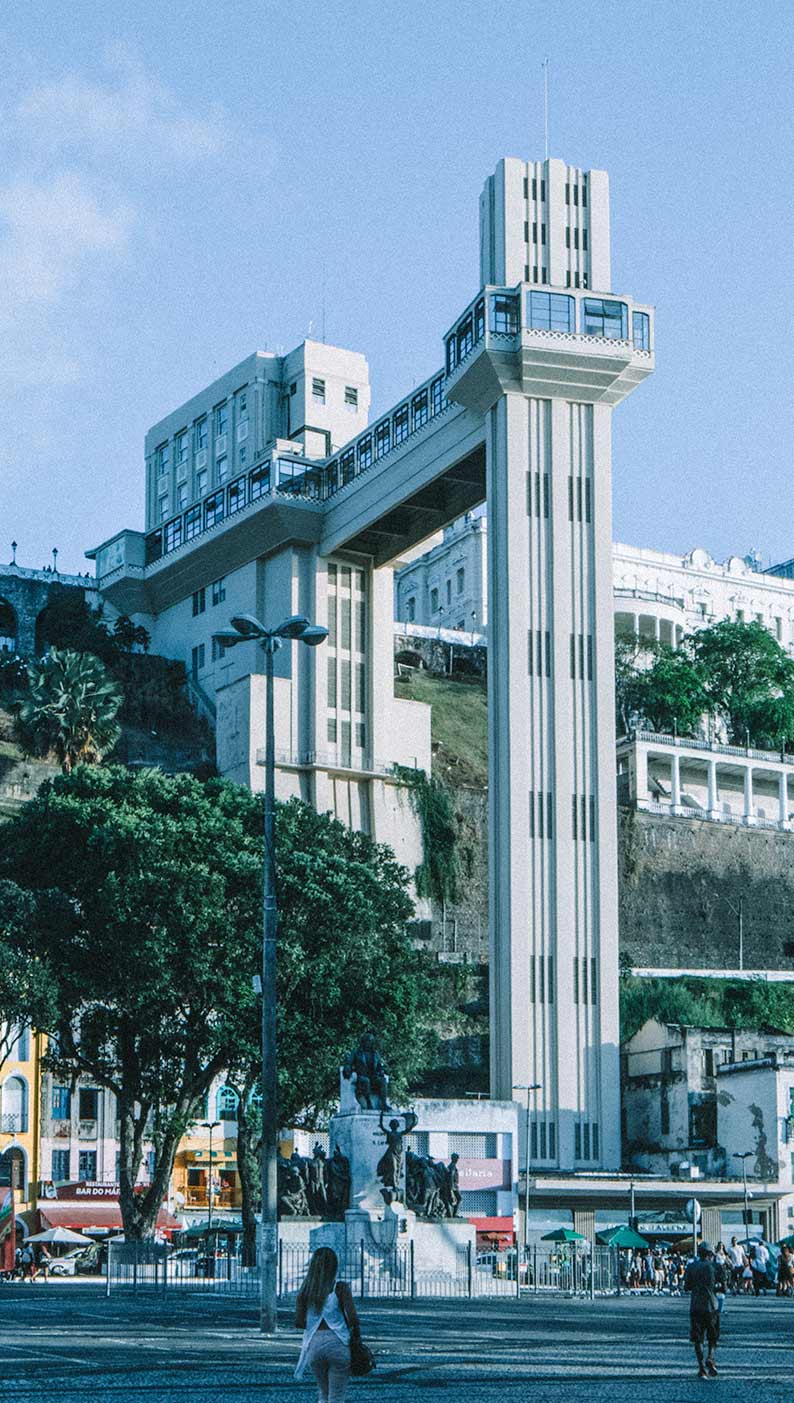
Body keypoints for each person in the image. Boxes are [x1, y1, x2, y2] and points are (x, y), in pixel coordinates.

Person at [295, 1246, 360, 1402]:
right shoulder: (340, 1288)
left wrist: (314, 1316)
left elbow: (299, 1322)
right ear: (335, 1266)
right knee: (336, 1396)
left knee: (323, 1392)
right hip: (338, 1342)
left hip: (314, 1343)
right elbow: (353, 1319)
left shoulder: (306, 1289)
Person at [684, 1241, 725, 1379]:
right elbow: (723, 1287)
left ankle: (701, 1368)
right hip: (711, 1306)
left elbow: (687, 1287)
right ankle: (710, 1357)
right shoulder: (716, 1267)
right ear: (710, 1254)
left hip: (695, 1306)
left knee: (698, 1339)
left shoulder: (691, 1267)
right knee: (713, 1337)